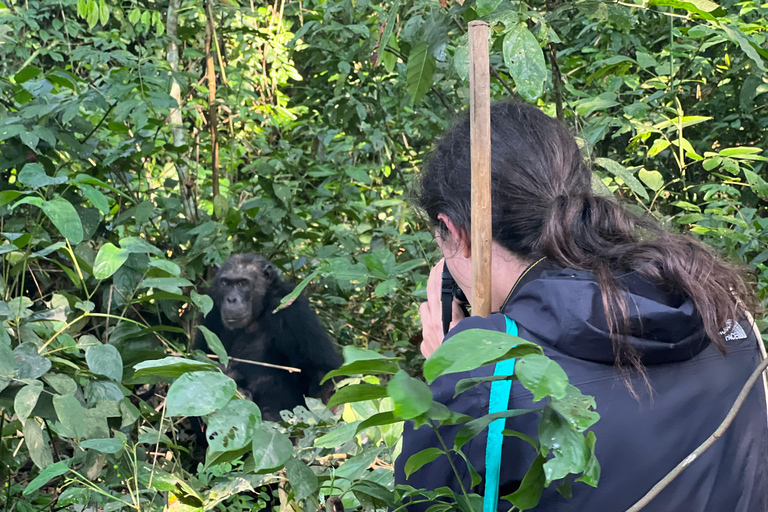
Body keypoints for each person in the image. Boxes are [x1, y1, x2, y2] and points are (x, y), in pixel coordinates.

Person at [394, 102, 768, 511]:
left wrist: (456, 369)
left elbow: (421, 499)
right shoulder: (719, 307)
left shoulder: (486, 376)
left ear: (456, 233)